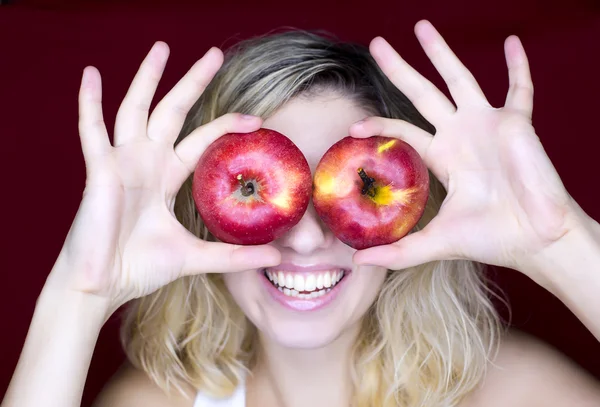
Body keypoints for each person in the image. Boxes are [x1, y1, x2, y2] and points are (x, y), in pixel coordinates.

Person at [2, 19, 600, 407]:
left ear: (410, 212)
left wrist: (562, 246)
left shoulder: (516, 394)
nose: (308, 240)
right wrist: (76, 299)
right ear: (202, 214)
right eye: (257, 194)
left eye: (352, 190)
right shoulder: (155, 403)